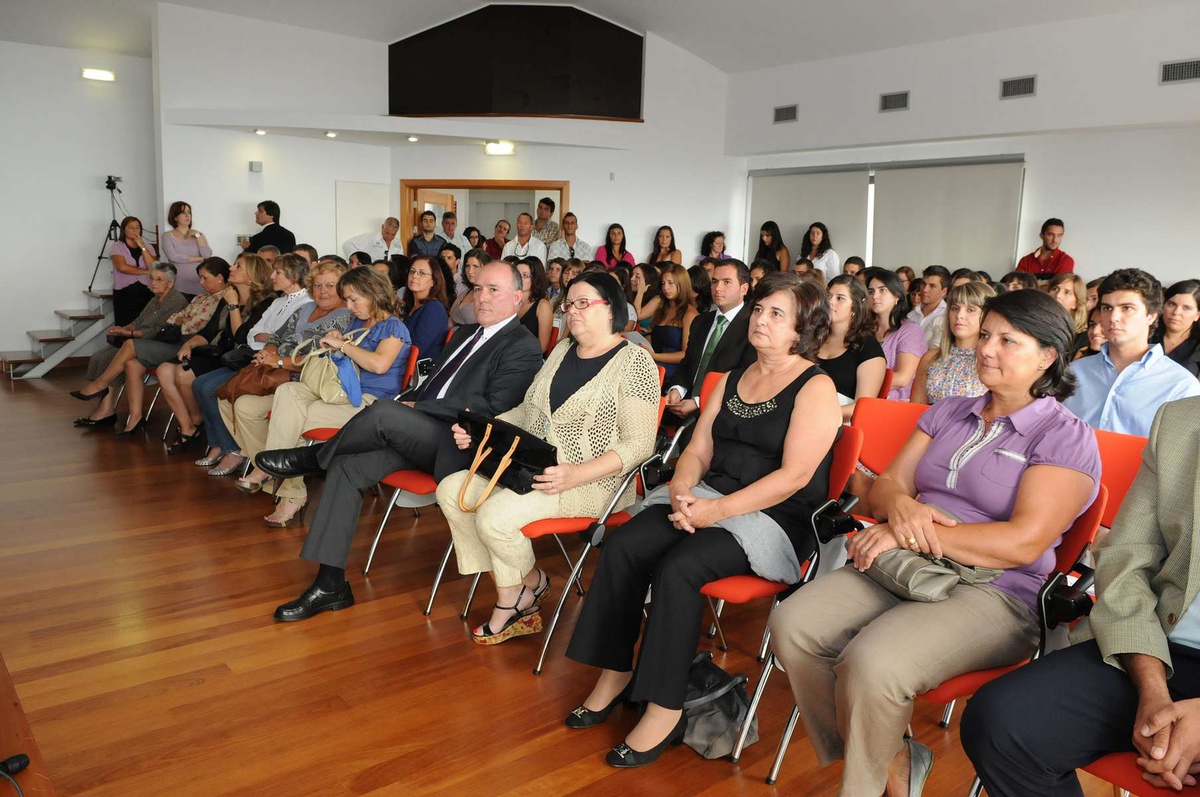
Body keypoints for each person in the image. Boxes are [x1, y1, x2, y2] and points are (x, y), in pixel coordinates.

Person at [770, 288, 1101, 797]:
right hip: (905, 561)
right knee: (792, 624)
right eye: (985, 335)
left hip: (997, 591)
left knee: (872, 664)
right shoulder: (950, 410)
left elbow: (1021, 543)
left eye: (1008, 341)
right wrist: (902, 510)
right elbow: (886, 487)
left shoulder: (1064, 436)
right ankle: (894, 758)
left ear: (1049, 356)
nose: (987, 349)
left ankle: (867, 786)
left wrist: (914, 526)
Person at [566, 272, 842, 768]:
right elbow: (697, 449)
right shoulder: (734, 377)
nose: (760, 319)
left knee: (681, 566)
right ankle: (616, 671)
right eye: (759, 310)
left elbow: (794, 477)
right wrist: (681, 490)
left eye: (775, 313)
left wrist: (715, 510)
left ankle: (665, 706)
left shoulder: (816, 386)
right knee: (626, 543)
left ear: (803, 329)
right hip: (708, 496)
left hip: (774, 515)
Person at [256, 260, 545, 621]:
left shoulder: (523, 345)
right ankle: (330, 586)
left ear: (517, 298)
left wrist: (416, 408)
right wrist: (414, 402)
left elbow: (494, 407)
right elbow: (431, 384)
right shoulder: (466, 332)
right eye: (478, 289)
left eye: (493, 290)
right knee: (347, 466)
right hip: (418, 433)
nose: (482, 297)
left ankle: (313, 460)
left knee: (384, 412)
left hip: (458, 446)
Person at [962, 396, 1200, 797]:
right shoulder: (1180, 421)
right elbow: (1126, 558)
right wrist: (1153, 690)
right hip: (1160, 644)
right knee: (1001, 722)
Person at [435, 271, 660, 645]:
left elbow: (639, 444)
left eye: (584, 303)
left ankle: (510, 603)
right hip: (533, 468)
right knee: (450, 489)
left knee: (494, 516)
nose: (572, 311)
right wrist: (483, 431)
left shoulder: (635, 363)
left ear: (612, 310)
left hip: (594, 482)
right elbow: (527, 412)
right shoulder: (560, 350)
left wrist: (576, 473)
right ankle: (528, 584)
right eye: (569, 304)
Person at [231, 268, 410, 526]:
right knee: (287, 392)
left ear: (372, 294)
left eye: (353, 300)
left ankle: (279, 482)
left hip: (368, 403)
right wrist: (337, 338)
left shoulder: (394, 327)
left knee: (290, 420)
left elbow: (379, 365)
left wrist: (343, 345)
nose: (348, 306)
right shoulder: (357, 322)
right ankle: (279, 477)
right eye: (347, 300)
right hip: (336, 391)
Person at [196, 261, 352, 477]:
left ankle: (269, 467)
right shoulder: (306, 307)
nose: (322, 291)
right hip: (275, 370)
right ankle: (268, 462)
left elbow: (319, 358)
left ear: (342, 287)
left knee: (241, 404)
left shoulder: (345, 316)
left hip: (304, 379)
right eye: (317, 285)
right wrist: (267, 353)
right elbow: (277, 335)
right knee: (226, 398)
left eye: (329, 285)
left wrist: (278, 361)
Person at [73, 258, 230, 435]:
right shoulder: (201, 298)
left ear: (219, 277)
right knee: (131, 364)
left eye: (204, 278)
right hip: (174, 341)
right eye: (152, 279)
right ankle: (135, 417)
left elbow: (193, 326)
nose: (200, 283)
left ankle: (100, 384)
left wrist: (181, 321)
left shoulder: (221, 300)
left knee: (130, 345)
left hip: (187, 346)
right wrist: (129, 329)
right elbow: (173, 319)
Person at [156, 253, 277, 455]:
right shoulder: (230, 295)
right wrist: (190, 345)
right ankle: (194, 427)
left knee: (187, 377)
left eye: (238, 266)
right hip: (223, 353)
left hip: (242, 357)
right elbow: (209, 331)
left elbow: (242, 338)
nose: (231, 268)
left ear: (251, 276)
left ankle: (200, 424)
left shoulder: (264, 302)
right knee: (164, 370)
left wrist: (232, 305)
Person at [1064, 268, 1200, 436]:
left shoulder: (1181, 386)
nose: (1113, 317)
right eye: (1107, 308)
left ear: (1151, 316)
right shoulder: (1074, 372)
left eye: (1127, 308)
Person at [74, 264, 187, 427]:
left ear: (170, 283)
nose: (153, 283)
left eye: (159, 280)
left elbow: (157, 332)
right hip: (143, 341)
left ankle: (100, 389)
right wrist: (124, 329)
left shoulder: (176, 301)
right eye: (152, 279)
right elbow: (139, 321)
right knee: (100, 356)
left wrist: (129, 334)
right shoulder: (155, 299)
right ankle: (105, 409)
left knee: (122, 349)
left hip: (161, 343)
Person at [664, 260, 755, 420]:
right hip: (684, 404)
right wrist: (677, 389)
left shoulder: (752, 327)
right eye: (714, 281)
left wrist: (699, 402)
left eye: (727, 282)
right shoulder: (701, 321)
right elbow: (688, 363)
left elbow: (743, 379)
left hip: (722, 413)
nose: (718, 288)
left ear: (744, 288)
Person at [911, 281, 995, 404]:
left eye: (970, 310)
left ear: (988, 316)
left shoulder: (992, 361)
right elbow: (915, 409)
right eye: (955, 308)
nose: (959, 315)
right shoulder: (930, 358)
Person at [819, 275, 885, 421]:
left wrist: (820, 416)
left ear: (854, 307)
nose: (830, 302)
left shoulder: (868, 348)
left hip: (840, 423)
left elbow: (862, 406)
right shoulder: (814, 338)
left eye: (840, 298)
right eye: (828, 296)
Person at [863, 267, 927, 401]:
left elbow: (902, 378)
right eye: (871, 291)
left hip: (894, 405)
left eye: (882, 290)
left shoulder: (910, 331)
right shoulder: (863, 329)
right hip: (861, 399)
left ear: (897, 296)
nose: (875, 296)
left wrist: (861, 383)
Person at [647, 264, 699, 381]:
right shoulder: (661, 309)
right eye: (663, 283)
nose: (666, 288)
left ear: (682, 284)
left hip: (674, 372)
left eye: (671, 283)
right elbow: (652, 337)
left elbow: (686, 354)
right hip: (653, 364)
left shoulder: (689, 314)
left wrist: (654, 356)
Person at [400, 254, 451, 363]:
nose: (415, 276)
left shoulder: (434, 309)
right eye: (412, 271)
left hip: (418, 373)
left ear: (433, 281)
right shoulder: (409, 305)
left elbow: (415, 349)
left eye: (422, 273)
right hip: (401, 363)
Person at [110, 216, 158, 325]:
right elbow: (122, 267)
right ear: (123, 230)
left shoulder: (148, 246)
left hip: (147, 289)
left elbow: (153, 266)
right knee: (125, 323)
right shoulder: (117, 247)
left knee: (145, 323)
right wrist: (146, 272)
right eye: (130, 227)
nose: (134, 230)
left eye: (137, 227)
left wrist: (142, 246)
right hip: (125, 291)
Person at [159, 201, 212, 298]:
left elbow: (207, 255)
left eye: (189, 212)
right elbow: (173, 257)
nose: (187, 215)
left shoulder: (198, 234)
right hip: (180, 285)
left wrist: (198, 236)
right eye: (183, 213)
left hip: (200, 283)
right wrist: (198, 259)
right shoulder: (167, 236)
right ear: (175, 217)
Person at [1153, 279, 1200, 377]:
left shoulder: (1197, 346)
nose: (1176, 312)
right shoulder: (1146, 334)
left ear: (1197, 315)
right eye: (1171, 304)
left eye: (1186, 308)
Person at [907, 265, 951, 348]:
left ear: (944, 291)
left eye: (932, 286)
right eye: (923, 284)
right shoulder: (910, 315)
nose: (924, 290)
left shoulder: (947, 316)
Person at [516, 257, 554, 353]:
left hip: (528, 357)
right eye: (516, 274)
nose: (519, 279)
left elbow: (542, 346)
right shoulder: (508, 302)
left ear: (534, 279)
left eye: (525, 275)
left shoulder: (542, 305)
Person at [1046, 272, 1089, 353]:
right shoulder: (1034, 323)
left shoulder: (1083, 337)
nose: (1058, 295)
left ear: (1076, 303)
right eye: (1055, 289)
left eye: (1067, 292)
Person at [450, 249, 490, 327]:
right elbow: (450, 320)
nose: (470, 271)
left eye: (475, 266)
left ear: (486, 268)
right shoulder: (465, 293)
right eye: (467, 266)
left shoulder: (490, 296)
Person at [630, 263, 662, 334]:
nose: (632, 279)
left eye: (637, 277)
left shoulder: (657, 299)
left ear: (648, 280)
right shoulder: (630, 294)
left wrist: (640, 292)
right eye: (632, 275)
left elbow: (636, 316)